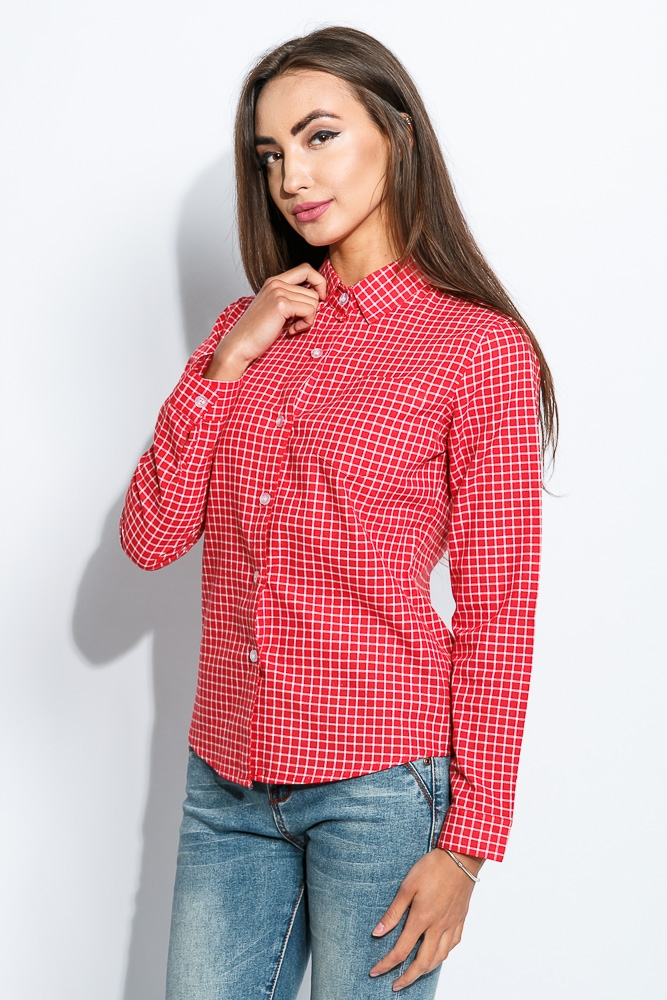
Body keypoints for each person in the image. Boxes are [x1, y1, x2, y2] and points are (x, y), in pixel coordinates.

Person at [120, 25, 557, 1000]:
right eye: (270, 154)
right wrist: (227, 363)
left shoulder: (475, 348)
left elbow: (498, 609)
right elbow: (149, 539)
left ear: (395, 135)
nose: (292, 177)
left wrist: (468, 847)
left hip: (380, 787)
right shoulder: (246, 329)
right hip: (225, 780)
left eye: (319, 136)